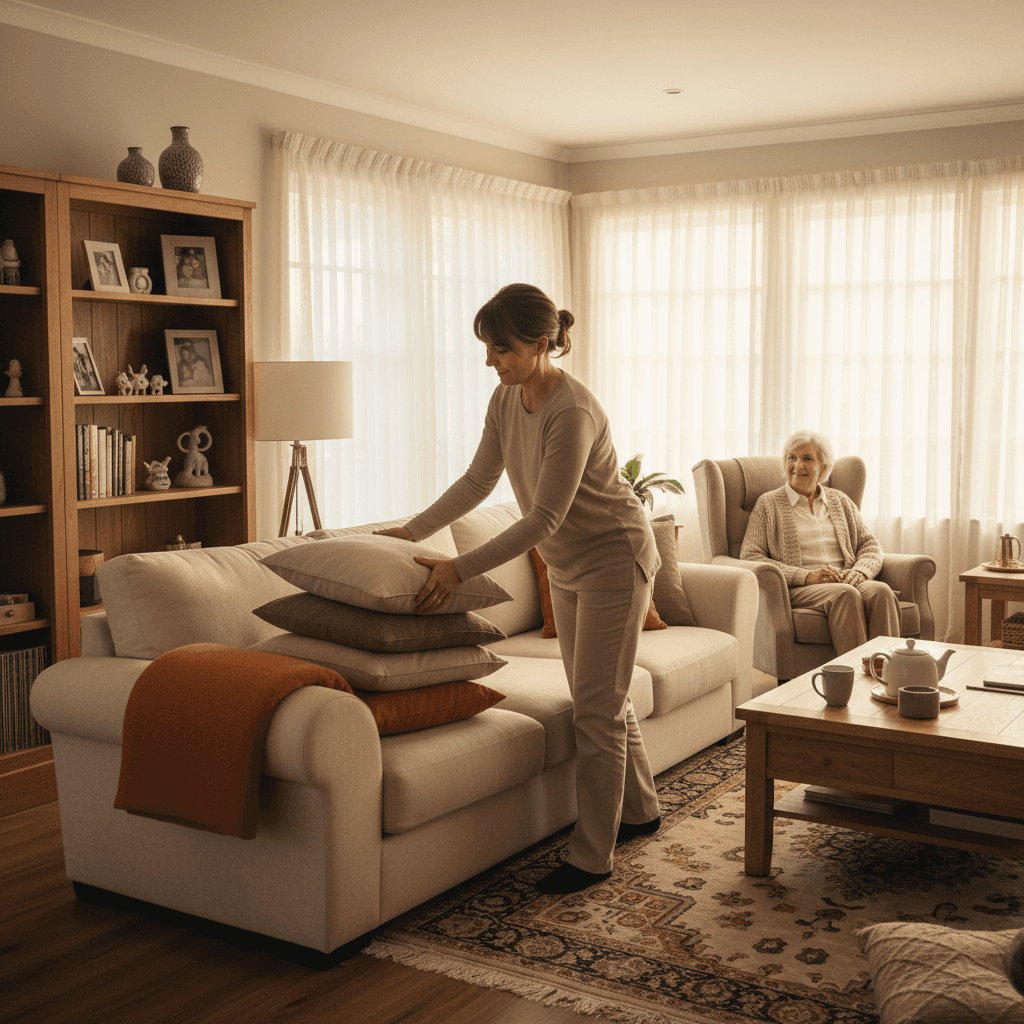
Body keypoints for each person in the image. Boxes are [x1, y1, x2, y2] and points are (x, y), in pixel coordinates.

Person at [374, 283, 662, 894]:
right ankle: (640, 810)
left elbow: (543, 518)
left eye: (501, 349)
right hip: (566, 567)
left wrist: (459, 567)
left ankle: (592, 855)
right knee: (600, 698)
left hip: (615, 559)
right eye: (486, 349)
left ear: (540, 343)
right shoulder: (505, 400)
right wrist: (413, 531)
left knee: (596, 707)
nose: (490, 361)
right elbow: (480, 478)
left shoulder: (572, 410)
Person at [740, 430, 901, 655]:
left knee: (881, 591)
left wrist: (861, 571)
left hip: (846, 579)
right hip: (802, 588)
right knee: (845, 594)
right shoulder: (768, 504)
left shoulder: (840, 501)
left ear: (823, 467)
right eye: (791, 457)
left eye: (807, 458)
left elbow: (870, 546)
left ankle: (886, 671)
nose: (797, 465)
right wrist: (806, 576)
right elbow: (750, 557)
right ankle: (855, 677)